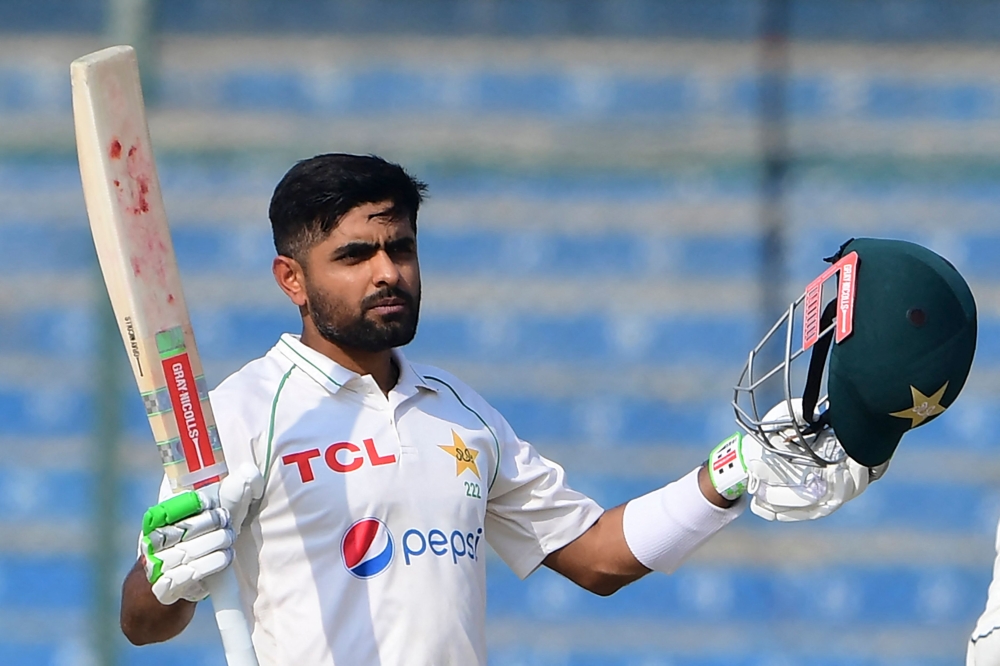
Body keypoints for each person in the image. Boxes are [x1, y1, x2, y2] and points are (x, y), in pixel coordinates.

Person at [118, 155, 973, 665]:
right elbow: (141, 624)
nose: (387, 272)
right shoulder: (240, 412)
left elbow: (595, 558)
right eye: (354, 255)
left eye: (401, 248)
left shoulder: (458, 412)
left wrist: (733, 471)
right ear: (291, 280)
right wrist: (168, 575)